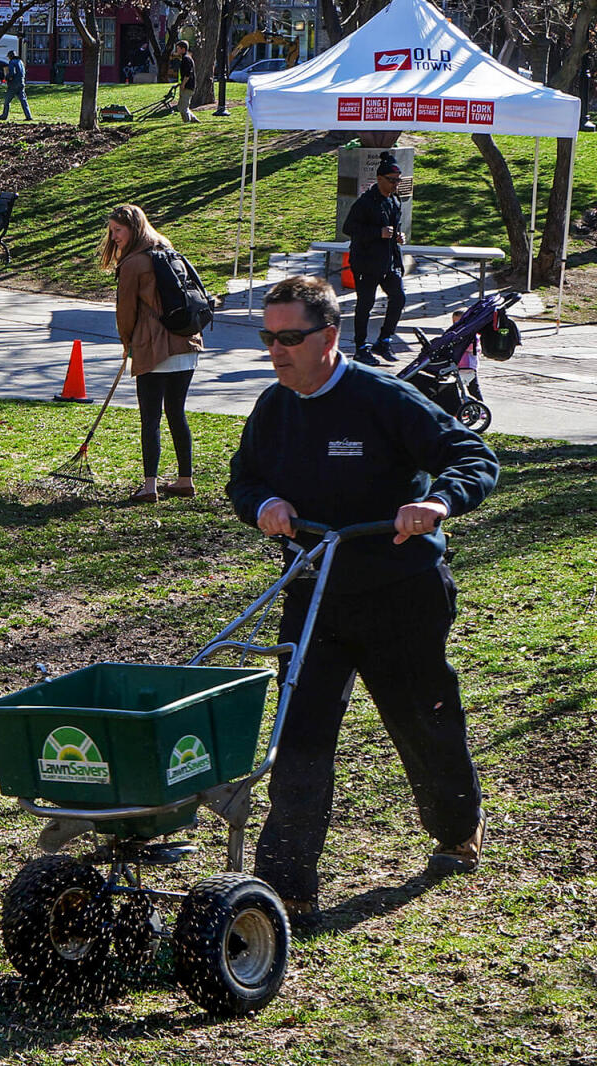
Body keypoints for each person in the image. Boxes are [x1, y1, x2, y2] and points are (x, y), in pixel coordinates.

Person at [226, 274, 498, 922]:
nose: (276, 349)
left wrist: (435, 502)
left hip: (399, 594)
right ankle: (287, 888)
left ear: (329, 335)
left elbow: (471, 455)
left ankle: (458, 829)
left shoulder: (382, 398)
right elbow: (244, 478)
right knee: (299, 738)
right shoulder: (274, 406)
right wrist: (264, 505)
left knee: (423, 723)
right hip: (313, 593)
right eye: (269, 337)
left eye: (290, 337)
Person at [100, 204, 200, 503]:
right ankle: (185, 480)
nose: (114, 236)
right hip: (187, 342)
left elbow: (126, 311)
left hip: (154, 348)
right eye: (112, 231)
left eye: (118, 230)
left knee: (150, 418)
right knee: (176, 413)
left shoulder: (133, 263)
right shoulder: (168, 248)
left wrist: (127, 343)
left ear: (134, 228)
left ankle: (149, 486)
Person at [344, 152, 408, 366]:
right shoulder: (365, 202)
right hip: (366, 262)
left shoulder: (395, 200)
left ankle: (384, 340)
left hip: (388, 261)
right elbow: (349, 228)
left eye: (398, 180)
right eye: (391, 180)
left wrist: (399, 237)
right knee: (366, 304)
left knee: (398, 298)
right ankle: (361, 348)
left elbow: (393, 228)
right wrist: (377, 232)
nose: (395, 184)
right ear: (379, 179)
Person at [452, 309, 483, 400]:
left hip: (469, 366)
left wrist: (461, 344)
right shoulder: (453, 334)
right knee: (455, 387)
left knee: (473, 388)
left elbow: (474, 349)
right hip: (457, 366)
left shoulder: (471, 334)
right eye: (454, 322)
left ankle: (480, 405)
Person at [0, 50, 31, 121]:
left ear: (10, 56)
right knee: (23, 101)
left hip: (13, 84)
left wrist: (6, 77)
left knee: (7, 101)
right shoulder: (21, 62)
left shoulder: (12, 62)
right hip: (21, 83)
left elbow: (12, 73)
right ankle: (28, 116)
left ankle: (4, 115)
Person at [173, 40, 198, 122]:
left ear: (183, 49)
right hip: (188, 85)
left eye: (178, 48)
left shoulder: (186, 59)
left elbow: (188, 74)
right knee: (181, 106)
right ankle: (195, 121)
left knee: (183, 107)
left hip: (188, 86)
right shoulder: (185, 58)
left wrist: (183, 85)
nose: (177, 50)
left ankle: (187, 122)